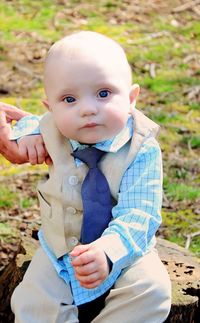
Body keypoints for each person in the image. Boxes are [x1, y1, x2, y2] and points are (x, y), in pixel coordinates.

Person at [7, 31, 171, 322]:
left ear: (132, 98)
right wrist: (28, 134)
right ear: (52, 108)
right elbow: (29, 123)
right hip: (59, 247)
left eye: (104, 94)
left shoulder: (142, 149)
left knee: (152, 290)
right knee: (34, 300)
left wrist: (109, 251)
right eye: (69, 99)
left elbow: (140, 214)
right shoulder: (51, 128)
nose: (87, 109)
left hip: (125, 249)